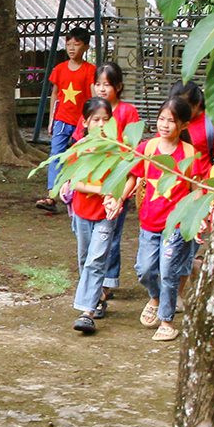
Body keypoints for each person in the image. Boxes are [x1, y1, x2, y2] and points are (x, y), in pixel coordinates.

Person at [125, 98, 209, 343]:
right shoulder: (148, 148)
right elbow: (133, 175)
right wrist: (117, 198)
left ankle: (166, 321)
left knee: (168, 271)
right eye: (161, 119)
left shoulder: (190, 154)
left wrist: (198, 218)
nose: (164, 124)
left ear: (183, 125)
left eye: (170, 121)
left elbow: (196, 190)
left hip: (176, 224)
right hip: (149, 222)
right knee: (145, 270)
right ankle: (155, 296)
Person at [62, 98, 120, 334]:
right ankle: (97, 298)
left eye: (106, 120)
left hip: (106, 214)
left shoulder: (116, 149)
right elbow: (75, 182)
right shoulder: (78, 149)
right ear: (85, 122)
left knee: (96, 260)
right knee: (85, 257)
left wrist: (116, 196)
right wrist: (102, 190)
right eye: (95, 119)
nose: (101, 124)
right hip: (82, 211)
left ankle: (86, 312)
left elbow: (124, 178)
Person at [92, 62, 142, 300]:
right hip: (93, 181)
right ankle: (96, 280)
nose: (102, 89)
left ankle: (107, 283)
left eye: (107, 85)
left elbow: (132, 150)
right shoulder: (92, 111)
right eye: (98, 84)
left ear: (118, 86)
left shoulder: (127, 112)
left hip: (119, 179)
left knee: (111, 233)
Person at [38, 30, 96, 213]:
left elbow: (94, 97)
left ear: (86, 47)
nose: (72, 48)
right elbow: (55, 93)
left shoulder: (90, 70)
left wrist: (92, 121)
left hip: (81, 122)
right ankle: (51, 196)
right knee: (56, 155)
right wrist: (51, 120)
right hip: (61, 120)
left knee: (78, 157)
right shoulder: (60, 69)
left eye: (76, 44)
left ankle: (75, 192)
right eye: (69, 44)